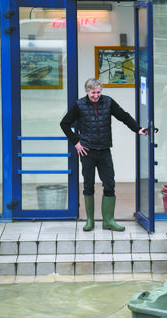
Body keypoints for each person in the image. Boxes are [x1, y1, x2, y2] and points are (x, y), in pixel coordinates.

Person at [60, 78, 147, 231]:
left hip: (104, 150)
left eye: (99, 92)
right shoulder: (79, 105)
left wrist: (137, 129)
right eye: (93, 93)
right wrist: (76, 143)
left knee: (109, 184)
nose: (96, 96)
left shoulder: (108, 102)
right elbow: (64, 123)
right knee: (88, 185)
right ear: (87, 91)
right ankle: (90, 221)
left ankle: (108, 221)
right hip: (87, 151)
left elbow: (124, 116)